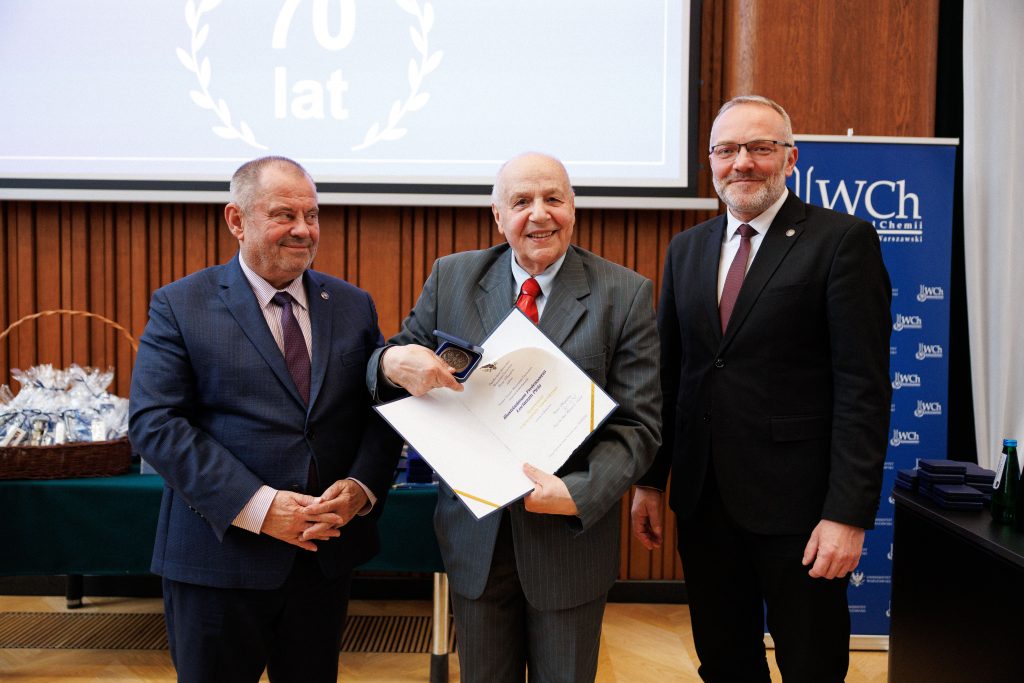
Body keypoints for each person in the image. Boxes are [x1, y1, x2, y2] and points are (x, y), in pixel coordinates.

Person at [367, 152, 661, 682]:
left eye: (554, 199)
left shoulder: (625, 293)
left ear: (573, 208)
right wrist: (390, 362)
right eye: (522, 201)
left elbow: (639, 426)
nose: (539, 214)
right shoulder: (452, 277)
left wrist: (579, 492)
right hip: (475, 541)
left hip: (568, 543)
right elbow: (392, 361)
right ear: (498, 216)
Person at [631, 96, 892, 682]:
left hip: (802, 513)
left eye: (760, 148)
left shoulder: (842, 241)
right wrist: (651, 479)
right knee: (725, 664)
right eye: (727, 150)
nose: (742, 162)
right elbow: (671, 376)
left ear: (790, 158)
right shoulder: (687, 249)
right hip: (704, 504)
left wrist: (847, 515)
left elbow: (864, 390)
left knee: (811, 666)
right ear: (711, 161)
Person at [129, 156, 402, 682]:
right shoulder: (181, 305)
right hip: (218, 561)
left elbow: (383, 409)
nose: (304, 229)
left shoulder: (352, 305)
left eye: (312, 215)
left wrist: (361, 488)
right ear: (236, 220)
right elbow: (156, 423)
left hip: (322, 560)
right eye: (284, 215)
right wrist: (259, 507)